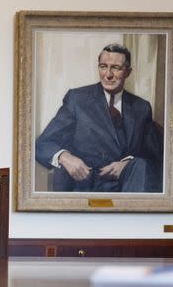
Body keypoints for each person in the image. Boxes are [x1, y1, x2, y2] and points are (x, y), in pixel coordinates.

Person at [35, 43, 164, 193]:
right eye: (103, 66)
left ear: (128, 72)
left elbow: (156, 156)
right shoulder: (78, 100)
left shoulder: (141, 107)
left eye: (116, 68)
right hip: (86, 187)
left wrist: (128, 163)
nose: (108, 74)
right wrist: (64, 157)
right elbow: (43, 144)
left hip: (130, 188)